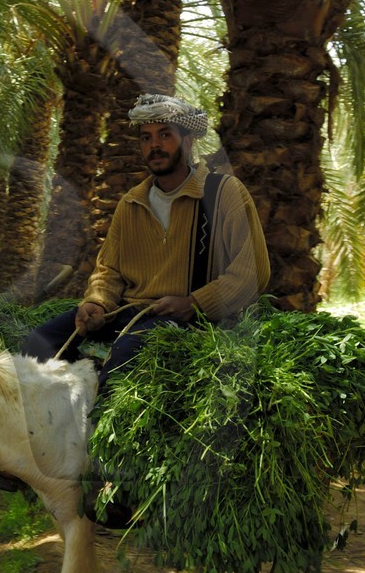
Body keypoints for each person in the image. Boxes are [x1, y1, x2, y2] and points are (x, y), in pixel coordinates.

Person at [22, 93, 270, 387]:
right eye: (146, 137)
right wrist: (97, 303)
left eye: (165, 135)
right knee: (35, 345)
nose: (155, 145)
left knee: (125, 357)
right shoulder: (132, 203)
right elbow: (109, 271)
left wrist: (193, 303)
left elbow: (253, 271)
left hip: (193, 321)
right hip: (130, 313)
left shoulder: (223, 193)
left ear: (188, 141)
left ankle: (98, 429)